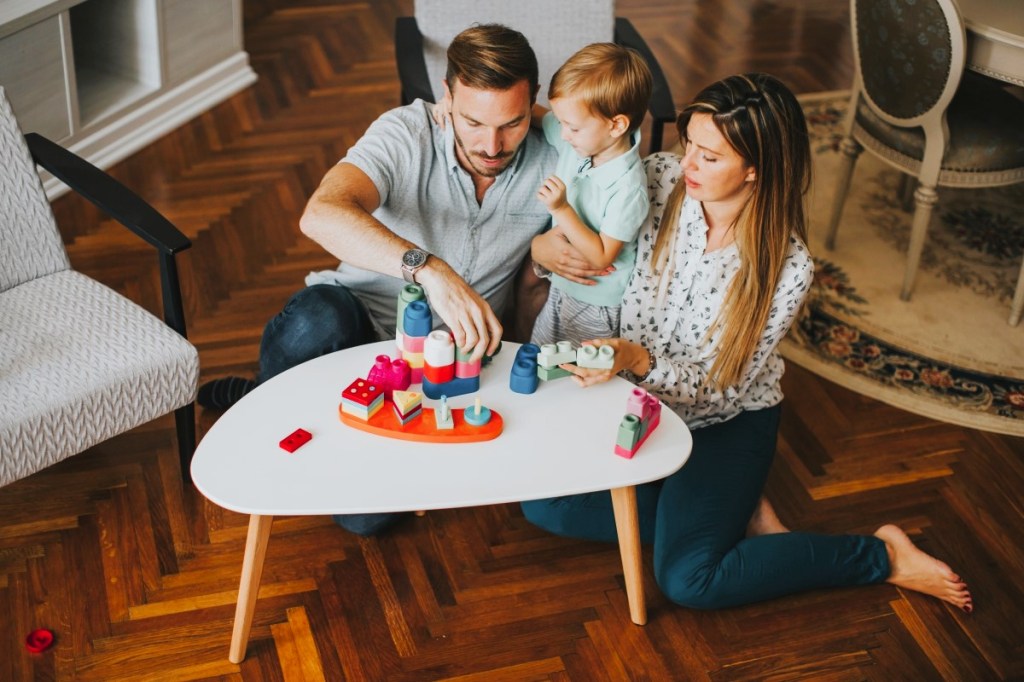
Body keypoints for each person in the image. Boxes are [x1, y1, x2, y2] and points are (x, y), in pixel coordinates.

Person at [525, 73, 973, 613]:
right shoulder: (657, 180)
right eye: (689, 142)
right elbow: (586, 231)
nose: (687, 162)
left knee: (690, 580)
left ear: (756, 167)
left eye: (710, 157)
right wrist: (543, 248)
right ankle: (731, 508)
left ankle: (883, 557)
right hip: (636, 405)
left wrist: (637, 358)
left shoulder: (786, 267)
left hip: (722, 420)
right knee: (542, 504)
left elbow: (718, 388)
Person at [197, 23, 558, 535]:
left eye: (513, 123)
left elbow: (615, 140)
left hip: (443, 370)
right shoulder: (405, 132)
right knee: (315, 317)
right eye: (474, 122)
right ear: (446, 96)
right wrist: (428, 269)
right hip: (355, 330)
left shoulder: (556, 151)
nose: (492, 145)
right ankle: (263, 400)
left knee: (364, 520)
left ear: (534, 104)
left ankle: (285, 406)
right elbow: (320, 214)